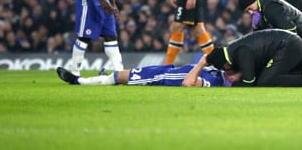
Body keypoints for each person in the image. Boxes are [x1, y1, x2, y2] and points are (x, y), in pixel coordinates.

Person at [237, 0, 302, 75]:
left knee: (275, 72)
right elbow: (263, 38)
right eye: (247, 11)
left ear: (254, 0)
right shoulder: (263, 7)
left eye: (250, 8)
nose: (250, 13)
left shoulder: (270, 8)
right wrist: (256, 28)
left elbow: (291, 30)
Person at [204, 29, 302, 87]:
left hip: (289, 45)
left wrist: (233, 84)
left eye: (224, 69)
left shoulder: (241, 53)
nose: (226, 72)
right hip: (290, 43)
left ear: (225, 65)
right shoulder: (235, 50)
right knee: (266, 75)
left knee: (265, 81)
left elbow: (249, 82)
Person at [56, 63, 234, 87]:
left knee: (120, 76)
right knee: (127, 74)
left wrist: (202, 62)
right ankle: (105, 78)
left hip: (164, 77)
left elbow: (189, 83)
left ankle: (78, 81)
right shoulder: (218, 72)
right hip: (169, 69)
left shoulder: (214, 83)